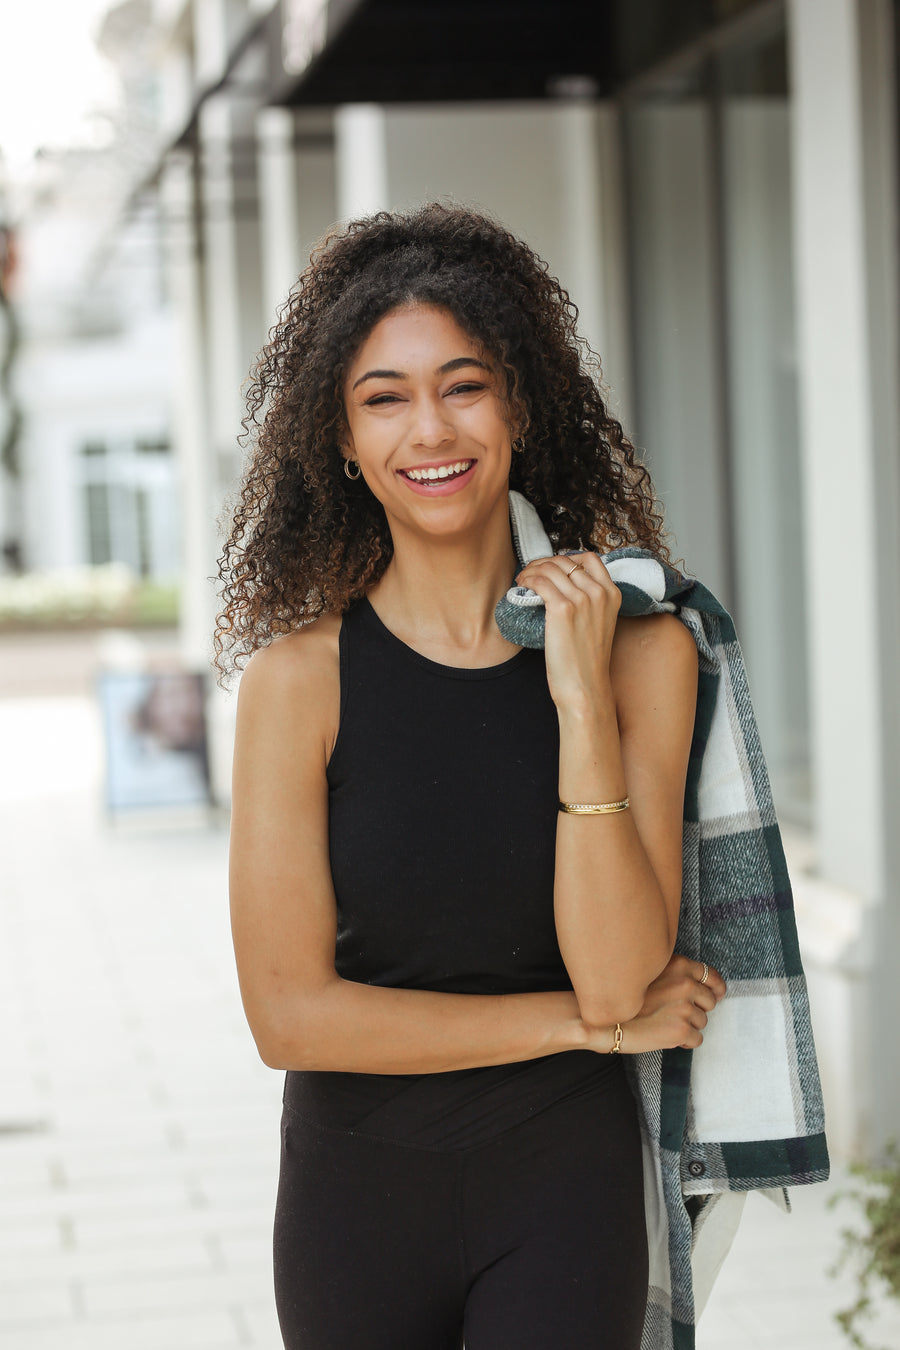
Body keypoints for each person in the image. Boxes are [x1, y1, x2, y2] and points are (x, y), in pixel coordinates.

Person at [217, 202, 727, 1350]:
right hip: (357, 1197)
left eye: (463, 384)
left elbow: (620, 979)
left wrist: (579, 693)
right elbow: (290, 1016)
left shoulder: (647, 652)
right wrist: (581, 1033)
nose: (429, 428)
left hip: (564, 1189)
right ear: (342, 442)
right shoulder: (299, 684)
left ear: (520, 406)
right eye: (383, 398)